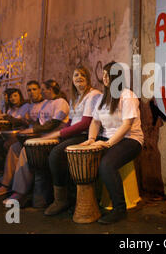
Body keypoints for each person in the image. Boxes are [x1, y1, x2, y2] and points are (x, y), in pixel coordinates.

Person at [80, 61, 143, 224]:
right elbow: (95, 122)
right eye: (104, 74)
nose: (104, 77)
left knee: (107, 165)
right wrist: (91, 140)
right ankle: (84, 203)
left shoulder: (127, 95)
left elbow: (127, 125)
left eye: (108, 74)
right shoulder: (102, 98)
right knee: (80, 154)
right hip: (107, 138)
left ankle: (119, 209)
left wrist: (107, 144)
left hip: (130, 140)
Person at [43, 65, 102, 216]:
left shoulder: (93, 95)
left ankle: (60, 200)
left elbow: (85, 123)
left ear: (88, 78)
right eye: (76, 75)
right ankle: (60, 195)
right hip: (74, 133)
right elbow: (71, 121)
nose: (79, 77)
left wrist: (59, 134)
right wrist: (59, 133)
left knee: (56, 155)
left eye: (82, 75)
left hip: (86, 134)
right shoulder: (74, 98)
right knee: (50, 150)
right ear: (72, 80)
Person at [2, 80, 69, 208]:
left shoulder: (61, 103)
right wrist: (28, 128)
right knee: (15, 147)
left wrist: (33, 130)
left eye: (43, 89)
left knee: (25, 151)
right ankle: (8, 184)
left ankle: (20, 193)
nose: (41, 92)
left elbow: (53, 124)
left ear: (50, 89)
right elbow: (39, 122)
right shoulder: (45, 104)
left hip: (55, 139)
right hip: (41, 138)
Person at [0, 80, 46, 196]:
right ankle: (5, 184)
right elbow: (28, 122)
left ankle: (16, 189)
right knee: (12, 147)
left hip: (40, 137)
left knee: (14, 147)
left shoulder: (46, 104)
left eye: (34, 89)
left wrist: (28, 124)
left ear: (40, 90)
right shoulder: (30, 106)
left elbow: (44, 124)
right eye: (29, 90)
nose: (31, 92)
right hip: (28, 134)